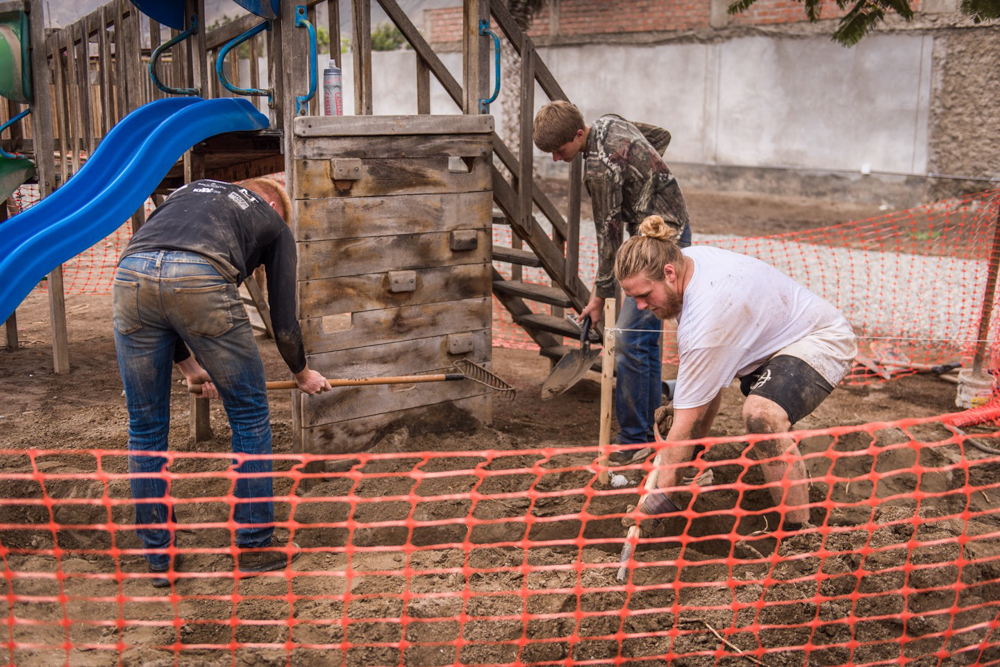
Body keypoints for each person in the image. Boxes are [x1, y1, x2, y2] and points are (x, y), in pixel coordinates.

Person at [112, 178, 331, 587]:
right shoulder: (272, 220)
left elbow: (161, 278)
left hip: (130, 275)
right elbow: (283, 321)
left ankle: (161, 557)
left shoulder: (184, 196)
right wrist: (303, 374)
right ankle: (254, 545)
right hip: (200, 275)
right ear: (268, 201)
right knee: (248, 415)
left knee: (144, 427)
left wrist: (192, 367)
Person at [615, 215, 857, 537]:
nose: (641, 306)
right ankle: (693, 474)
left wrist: (659, 501)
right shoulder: (686, 263)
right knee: (693, 414)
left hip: (821, 339)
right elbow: (707, 390)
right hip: (772, 344)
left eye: (644, 295)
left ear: (668, 274)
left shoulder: (708, 316)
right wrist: (688, 446)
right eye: (633, 298)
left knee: (762, 416)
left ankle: (799, 535)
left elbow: (687, 422)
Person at [533, 101, 691, 462]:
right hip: (670, 226)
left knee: (628, 340)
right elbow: (658, 138)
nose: (558, 159)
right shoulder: (609, 123)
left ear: (578, 134)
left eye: (560, 150)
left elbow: (609, 238)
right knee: (643, 342)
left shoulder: (599, 169)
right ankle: (652, 428)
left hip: (663, 241)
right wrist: (644, 185)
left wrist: (599, 298)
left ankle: (635, 442)